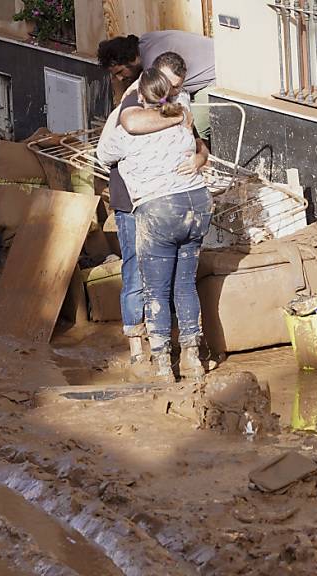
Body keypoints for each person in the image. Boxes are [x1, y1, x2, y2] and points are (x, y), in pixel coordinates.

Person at [97, 67, 212, 384]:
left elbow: (102, 153)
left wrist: (118, 111)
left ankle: (163, 365)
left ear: (139, 100)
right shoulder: (182, 121)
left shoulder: (129, 131)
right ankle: (192, 359)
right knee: (185, 284)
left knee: (156, 291)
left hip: (161, 210)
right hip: (197, 205)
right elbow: (201, 148)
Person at [98, 30, 215, 140]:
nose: (120, 78)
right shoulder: (145, 41)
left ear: (132, 60)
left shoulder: (154, 65)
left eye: (120, 72)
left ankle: (202, 156)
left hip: (217, 78)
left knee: (195, 128)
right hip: (215, 57)